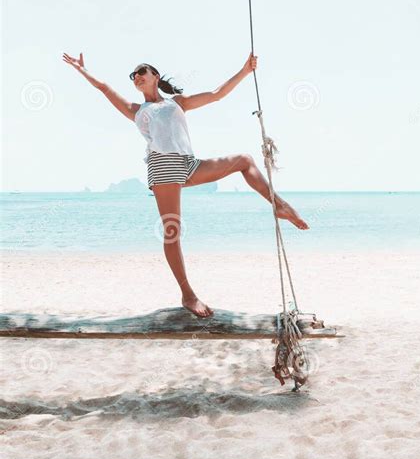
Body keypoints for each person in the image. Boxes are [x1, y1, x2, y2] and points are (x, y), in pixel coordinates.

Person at [62, 51, 309, 318]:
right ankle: (188, 294)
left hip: (188, 164)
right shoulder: (137, 110)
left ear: (155, 76)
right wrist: (82, 70)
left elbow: (217, 94)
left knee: (244, 160)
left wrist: (245, 71)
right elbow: (103, 88)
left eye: (141, 72)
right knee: (172, 231)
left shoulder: (178, 103)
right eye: (133, 76)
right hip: (163, 165)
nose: (136, 77)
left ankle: (279, 205)